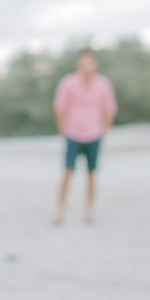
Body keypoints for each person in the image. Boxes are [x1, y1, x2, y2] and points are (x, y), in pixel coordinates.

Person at [51, 50, 117, 225]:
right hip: (73, 133)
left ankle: (89, 210)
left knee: (91, 173)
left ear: (95, 65)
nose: (87, 66)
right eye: (84, 63)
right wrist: (62, 129)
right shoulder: (68, 83)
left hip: (94, 133)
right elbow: (59, 107)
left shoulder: (103, 84)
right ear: (79, 64)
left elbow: (109, 107)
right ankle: (60, 210)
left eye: (90, 63)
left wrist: (107, 128)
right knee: (67, 171)